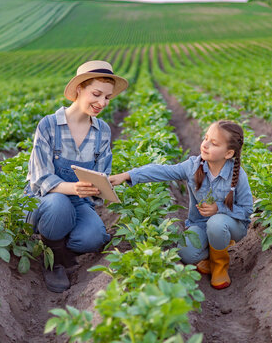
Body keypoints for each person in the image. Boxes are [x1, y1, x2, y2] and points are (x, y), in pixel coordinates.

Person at [24, 60, 128, 293]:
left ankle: (60, 247)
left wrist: (101, 186)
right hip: (45, 198)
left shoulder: (102, 130)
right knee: (59, 206)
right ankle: (54, 260)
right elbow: (40, 179)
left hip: (78, 200)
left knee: (95, 237)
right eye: (96, 94)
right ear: (79, 88)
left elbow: (102, 172)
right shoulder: (49, 125)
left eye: (107, 97)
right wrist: (74, 189)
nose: (102, 103)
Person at [110, 121, 253, 289]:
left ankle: (219, 265)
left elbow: (246, 210)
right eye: (205, 138)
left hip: (232, 226)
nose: (205, 145)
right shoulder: (192, 166)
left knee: (216, 223)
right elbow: (162, 171)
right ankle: (215, 247)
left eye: (213, 143)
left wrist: (218, 209)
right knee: (186, 254)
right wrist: (127, 175)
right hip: (200, 224)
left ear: (228, 153)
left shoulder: (237, 175)